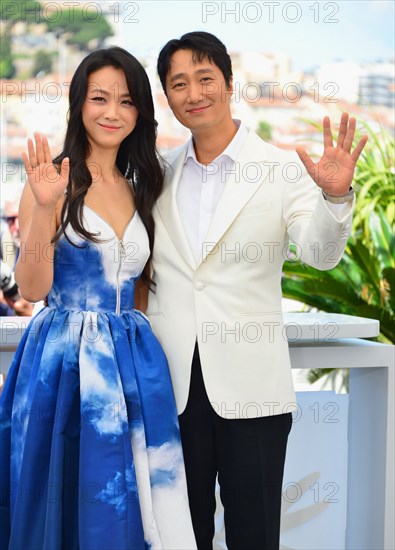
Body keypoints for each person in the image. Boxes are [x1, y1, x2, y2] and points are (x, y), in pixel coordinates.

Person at [144, 32, 368, 549]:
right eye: (179, 84)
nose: (194, 93)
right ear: (168, 96)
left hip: (254, 393)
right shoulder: (158, 172)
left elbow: (320, 254)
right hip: (170, 391)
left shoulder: (282, 167)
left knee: (255, 536)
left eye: (205, 79)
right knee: (178, 536)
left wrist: (335, 200)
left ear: (228, 83)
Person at [0, 46, 196, 549]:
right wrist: (44, 209)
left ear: (140, 112)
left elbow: (143, 288)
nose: (113, 112)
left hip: (134, 364)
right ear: (79, 104)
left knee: (137, 503)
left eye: (127, 101)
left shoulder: (143, 184)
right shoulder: (52, 182)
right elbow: (33, 288)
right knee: (67, 497)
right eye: (100, 98)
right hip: (63, 363)